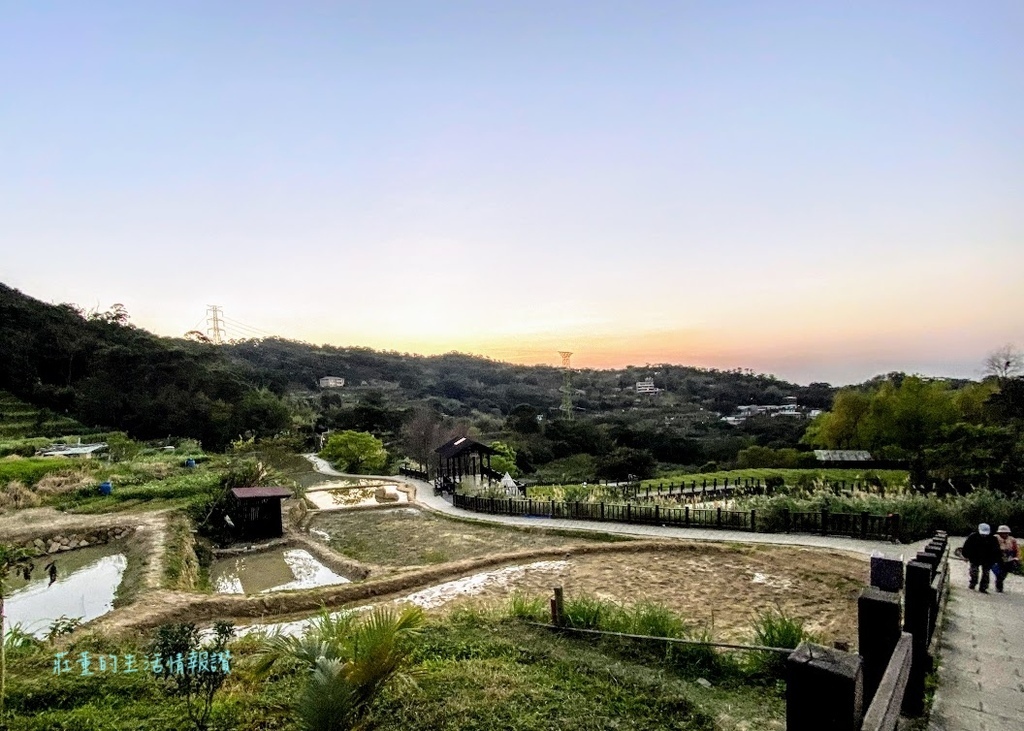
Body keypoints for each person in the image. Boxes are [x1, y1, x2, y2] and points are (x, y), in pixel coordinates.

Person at [962, 523, 1001, 593]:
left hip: (987, 558)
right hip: (974, 557)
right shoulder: (973, 537)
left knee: (986, 573)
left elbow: (996, 550)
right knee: (974, 571)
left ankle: (983, 587)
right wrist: (965, 556)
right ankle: (973, 582)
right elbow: (967, 547)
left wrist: (996, 559)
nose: (984, 535)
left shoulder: (993, 539)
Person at [993, 525, 1020, 593]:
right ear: (999, 533)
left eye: (1006, 533)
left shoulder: (1012, 539)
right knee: (998, 573)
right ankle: (999, 588)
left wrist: (1016, 558)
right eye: (1003, 533)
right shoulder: (994, 538)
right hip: (997, 557)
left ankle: (999, 585)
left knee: (1004, 573)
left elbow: (1016, 549)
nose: (1005, 534)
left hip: (1008, 557)